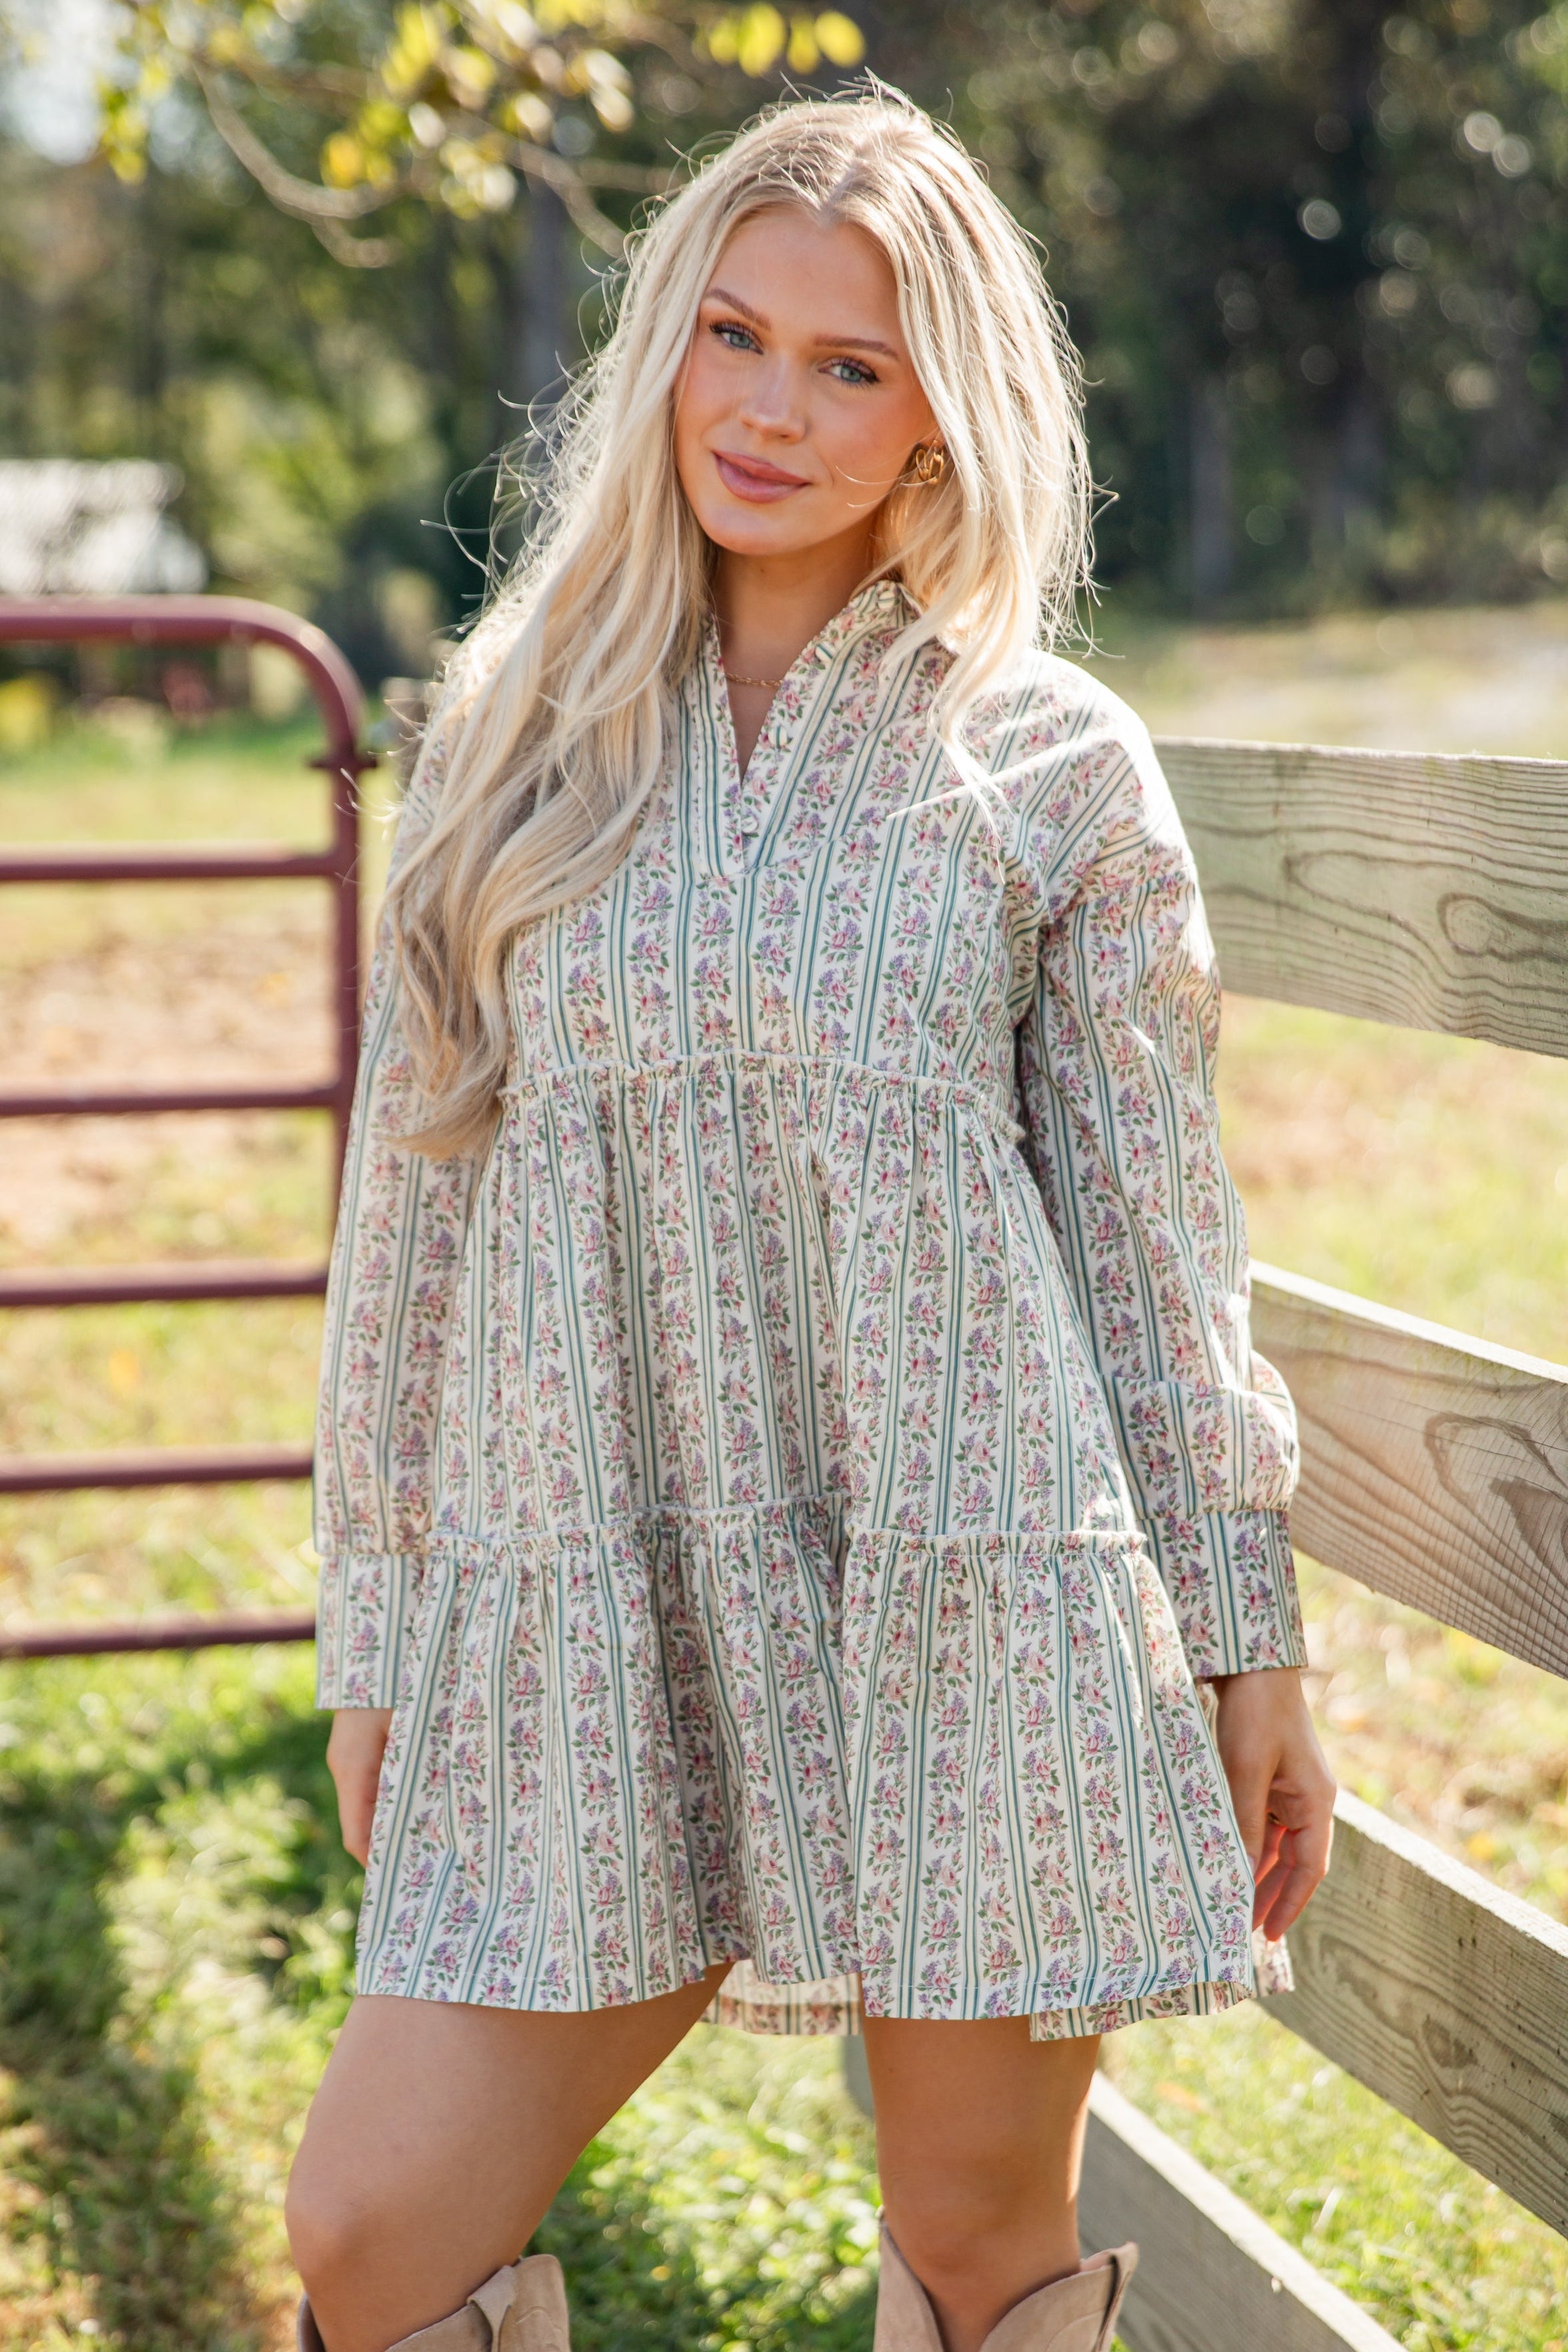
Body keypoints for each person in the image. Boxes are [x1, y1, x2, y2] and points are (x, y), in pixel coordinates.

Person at [285, 87, 1335, 2352]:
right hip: (591, 1598)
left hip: (979, 1589)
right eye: (734, 337)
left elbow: (1156, 1251)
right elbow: (411, 1232)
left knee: (976, 2245)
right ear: (666, 343)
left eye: (851, 365)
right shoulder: (506, 745)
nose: (770, 411)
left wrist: (1249, 1632)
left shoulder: (1054, 762)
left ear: (943, 409)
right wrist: (379, 1627)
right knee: (369, 2234)